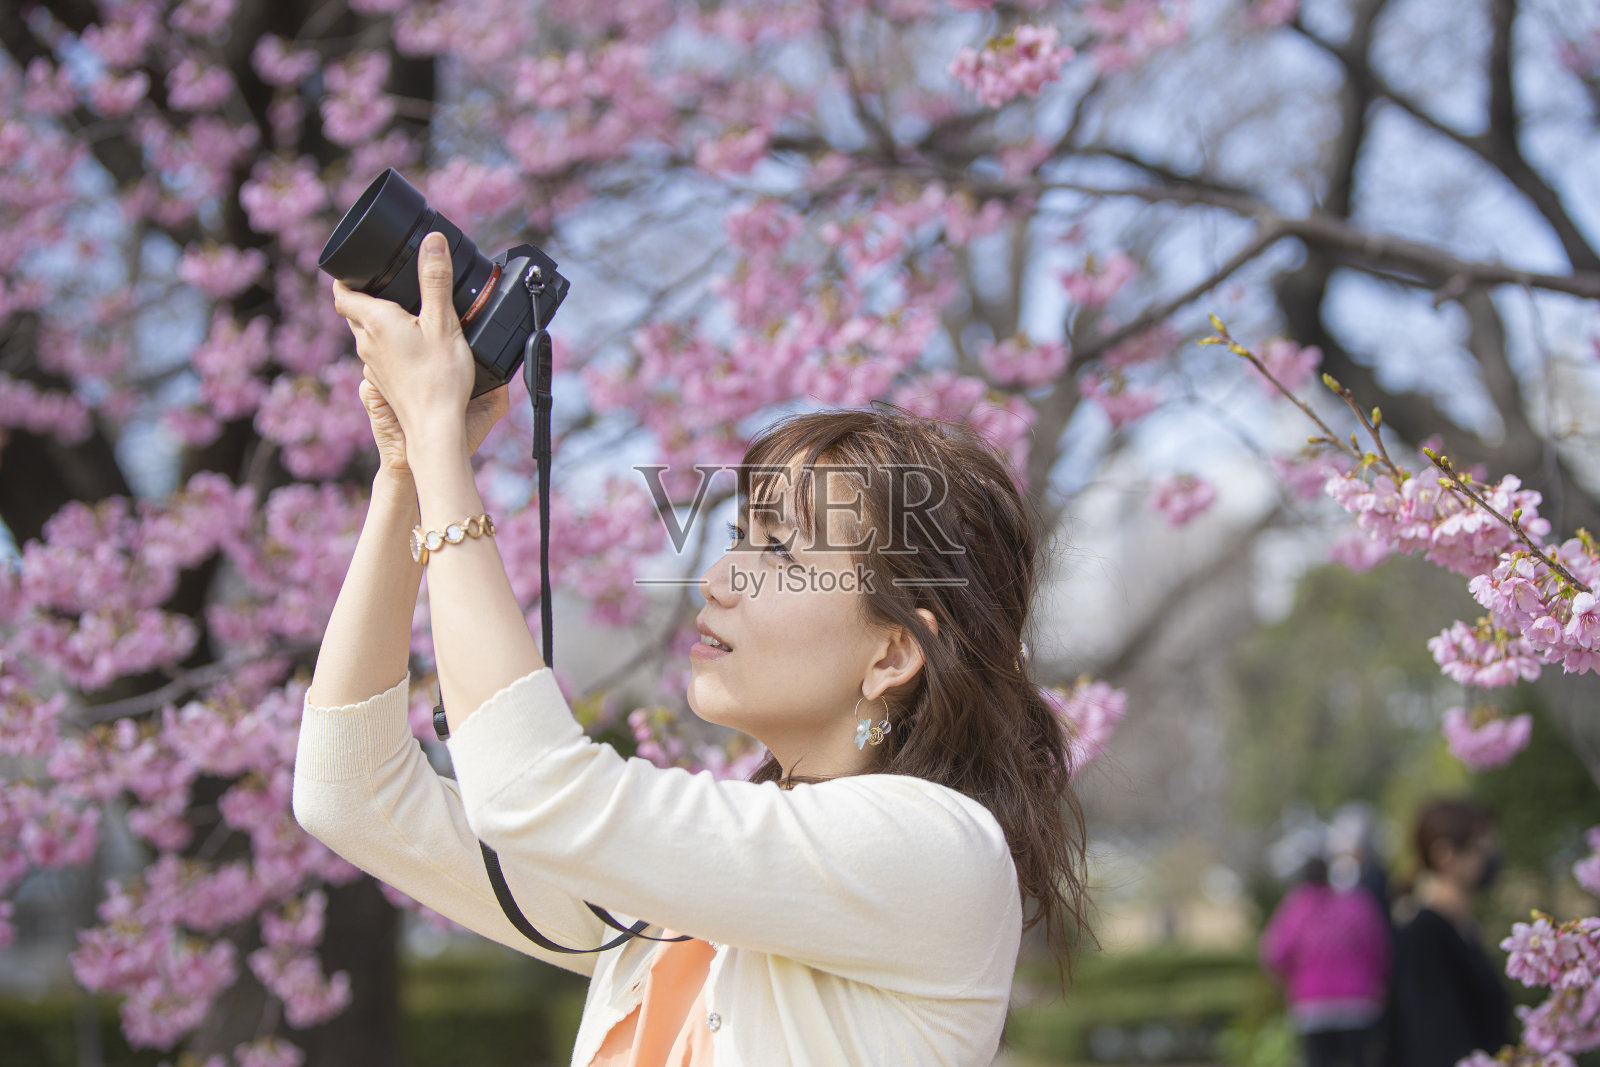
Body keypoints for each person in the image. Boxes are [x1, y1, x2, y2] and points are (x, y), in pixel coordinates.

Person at [291, 233, 1089, 1065]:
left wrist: (440, 446)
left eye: (779, 551)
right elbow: (353, 792)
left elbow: (529, 790)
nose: (717, 578)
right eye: (739, 535)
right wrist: (405, 478)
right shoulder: (671, 904)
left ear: (893, 653)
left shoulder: (936, 851)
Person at [1383, 798, 1512, 1067]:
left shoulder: (1462, 928)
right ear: (1445, 854)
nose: (1487, 858)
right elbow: (1435, 1037)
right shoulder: (1423, 934)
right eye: (1478, 848)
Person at [1259, 854, 1391, 1067]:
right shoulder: (1357, 904)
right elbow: (1379, 947)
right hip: (1356, 1003)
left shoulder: (1295, 909)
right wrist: (1379, 982)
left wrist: (1281, 982)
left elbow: (1275, 953)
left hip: (1312, 1004)